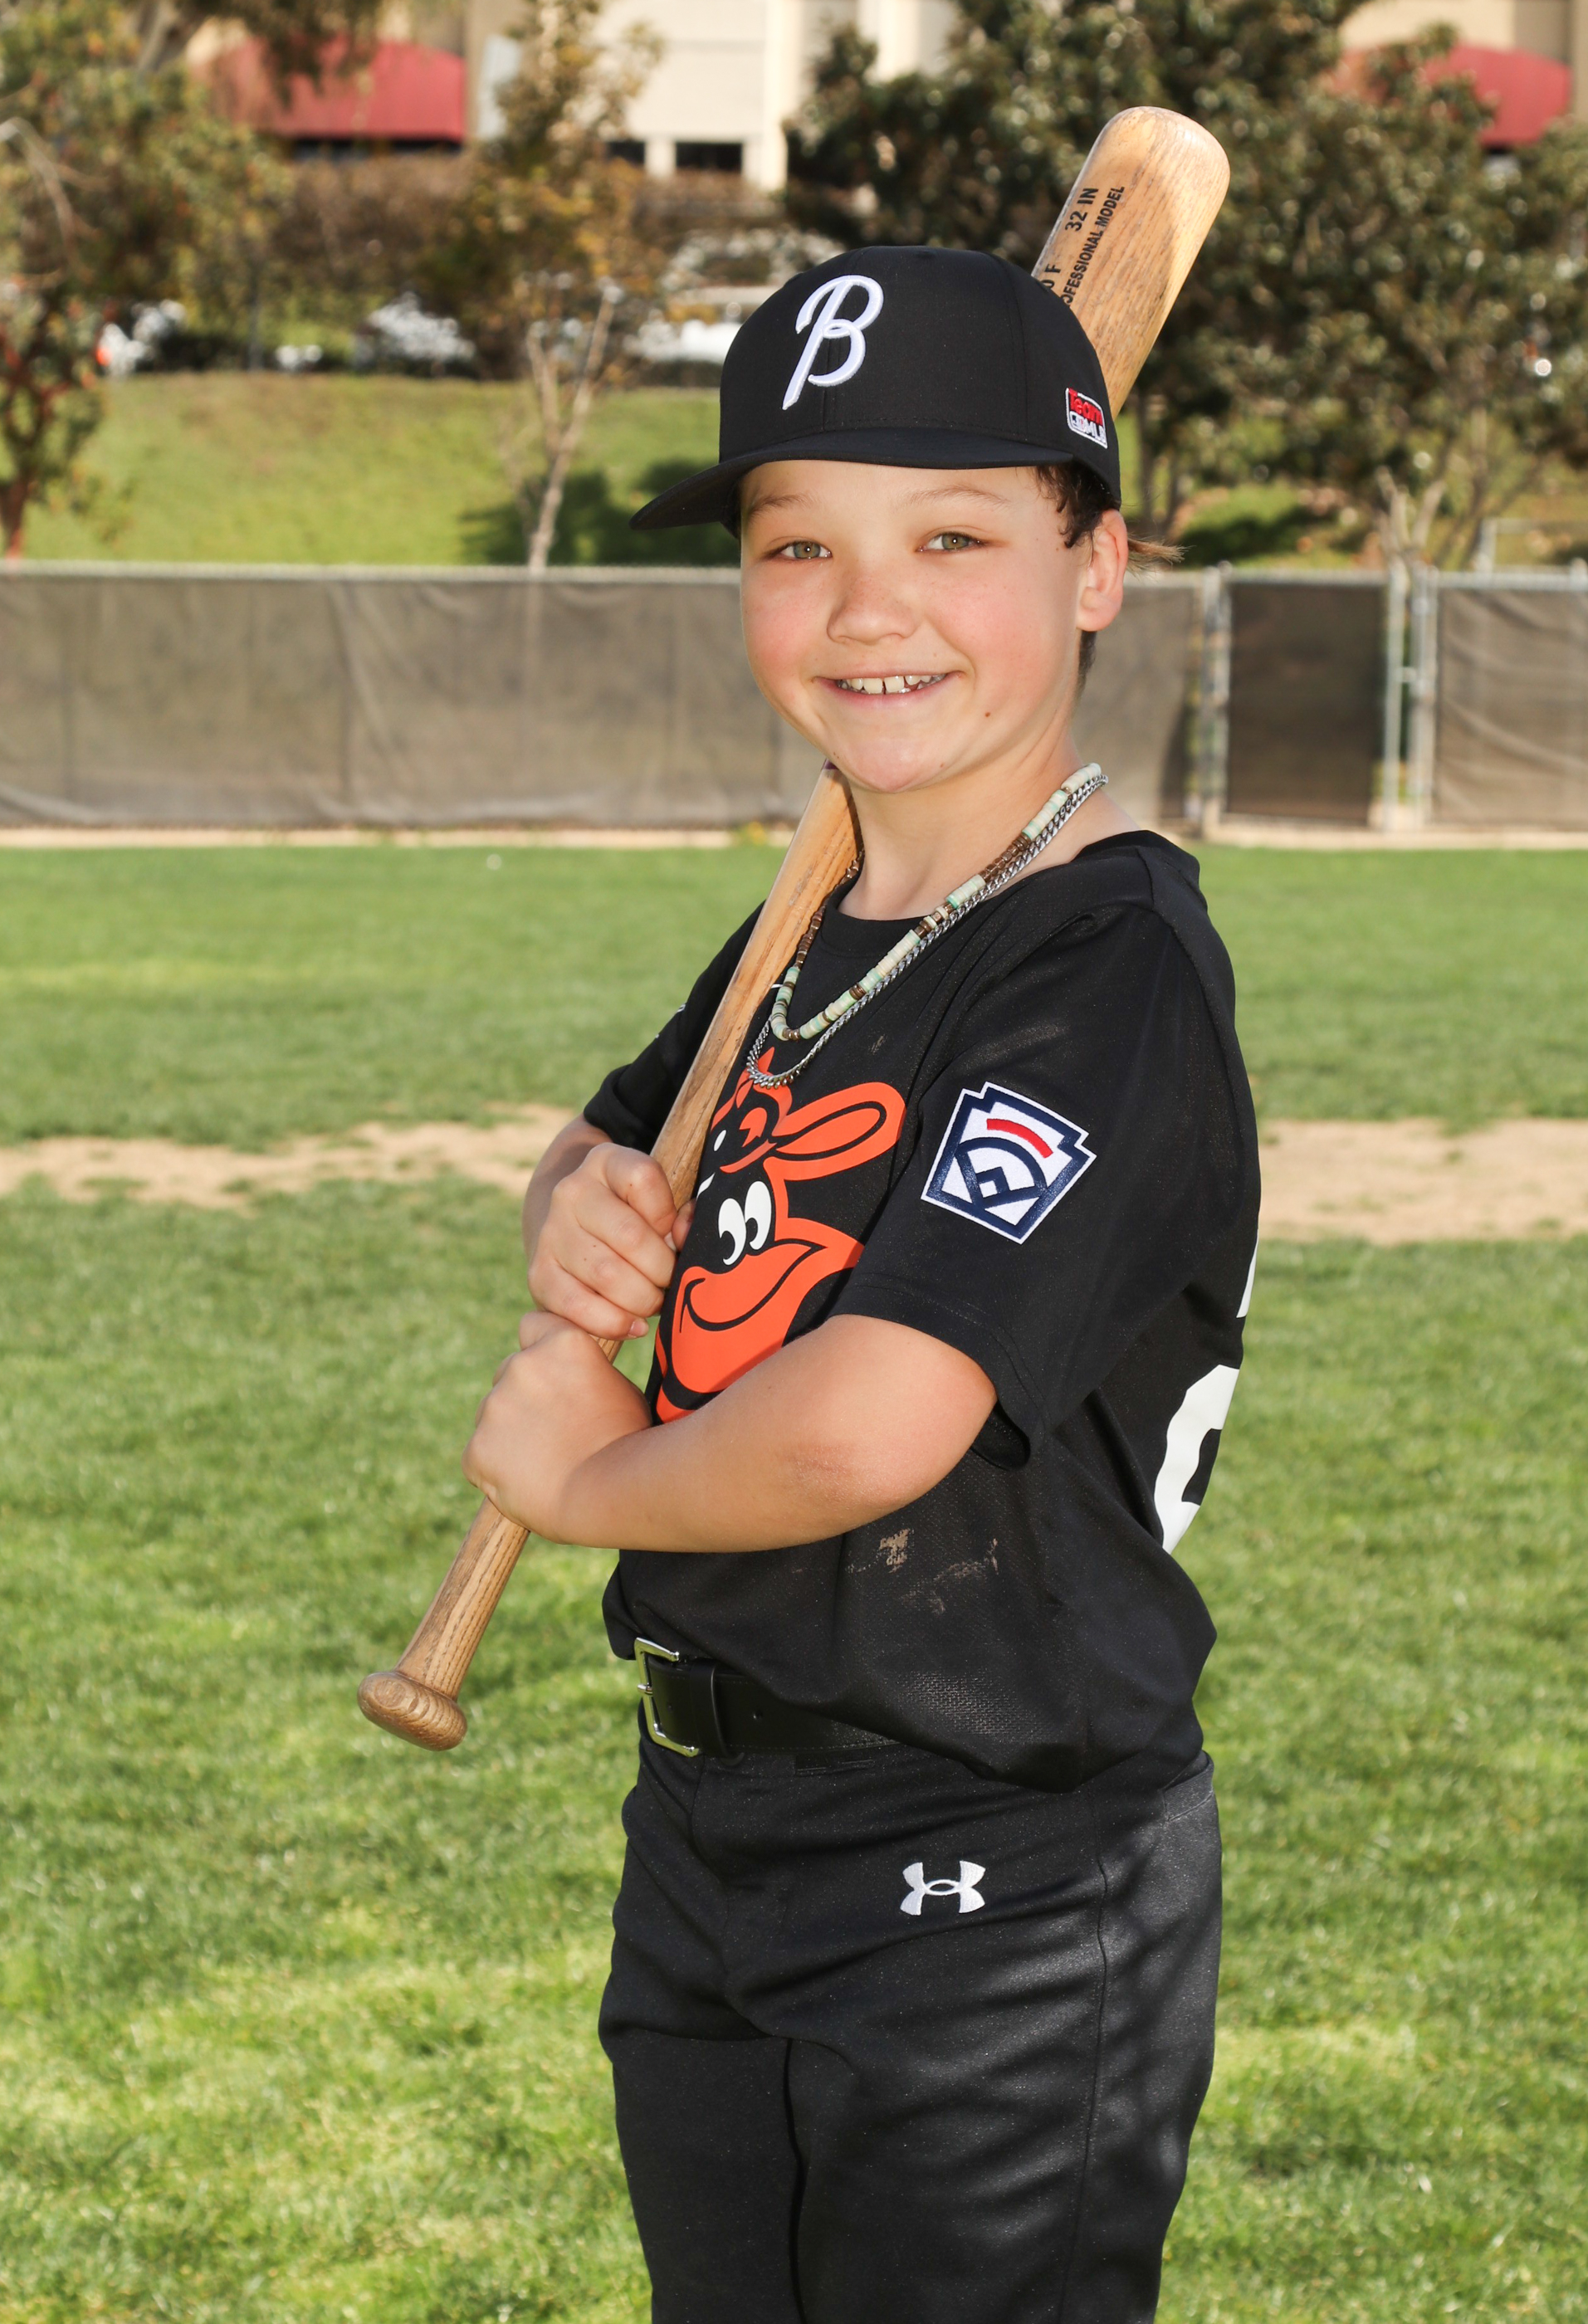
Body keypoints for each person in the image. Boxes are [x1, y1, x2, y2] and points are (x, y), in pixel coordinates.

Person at [464, 246, 1259, 2324]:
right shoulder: (813, 921)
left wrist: (586, 1480)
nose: (866, 606)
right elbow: (617, 1145)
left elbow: (870, 1422)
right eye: (796, 540)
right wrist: (572, 1207)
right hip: (714, 1827)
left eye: (954, 536)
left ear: (1099, 568)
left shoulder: (1104, 964)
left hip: (994, 1884)